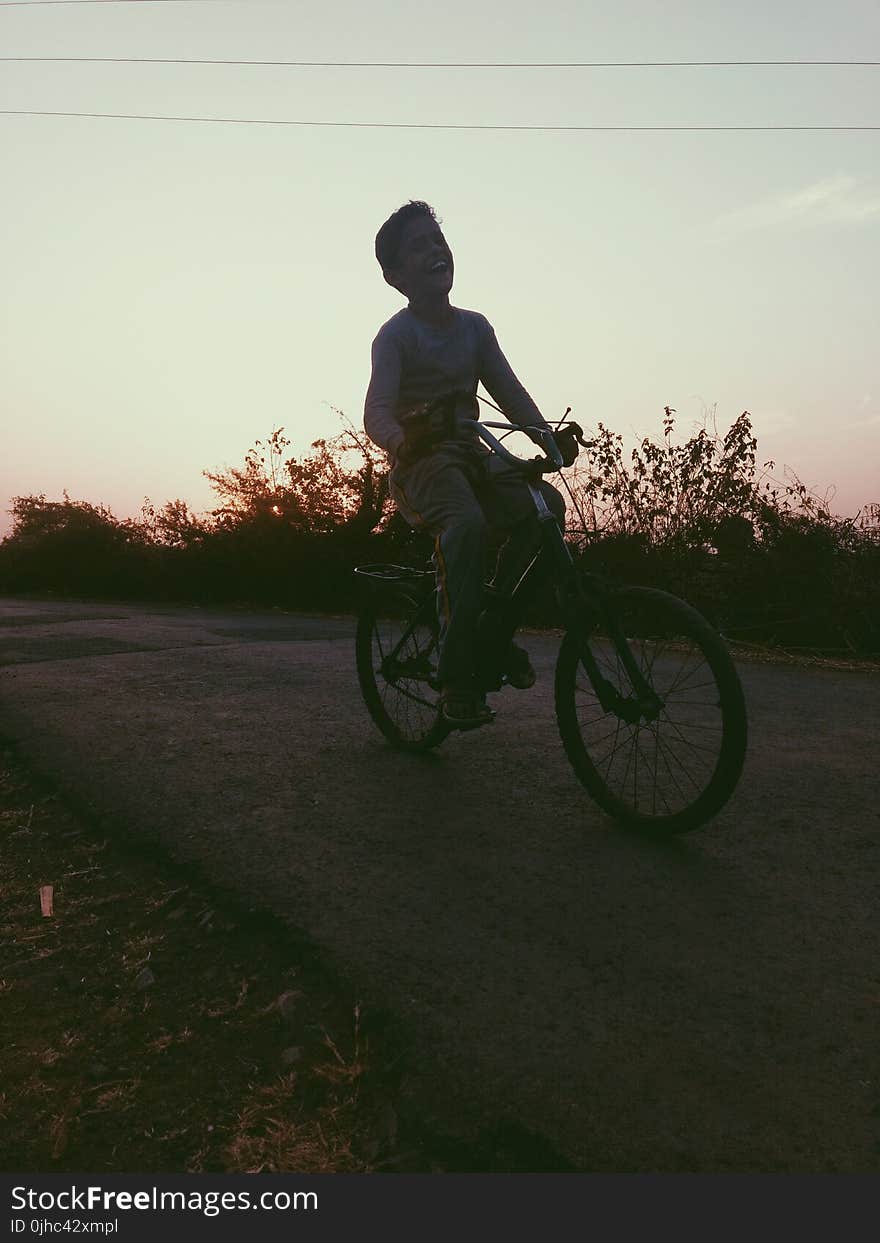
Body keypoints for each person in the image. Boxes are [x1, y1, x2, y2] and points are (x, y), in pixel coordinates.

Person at [363, 200, 577, 730]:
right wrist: (402, 442)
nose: (436, 249)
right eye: (419, 246)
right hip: (422, 466)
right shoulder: (395, 337)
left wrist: (548, 438)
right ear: (395, 277)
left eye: (438, 239)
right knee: (466, 525)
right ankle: (456, 676)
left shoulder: (475, 329)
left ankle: (492, 631)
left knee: (546, 507)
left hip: (473, 457)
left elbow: (511, 393)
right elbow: (376, 412)